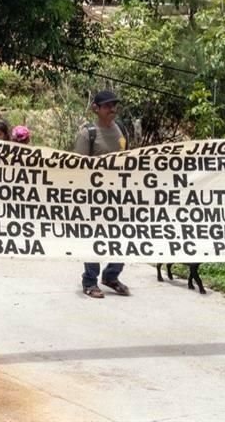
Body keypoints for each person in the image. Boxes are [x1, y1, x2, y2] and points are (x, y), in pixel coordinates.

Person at [75, 90, 130, 298]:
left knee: (124, 237)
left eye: (114, 105)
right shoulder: (87, 133)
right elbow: (77, 167)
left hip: (119, 196)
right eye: (107, 106)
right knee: (94, 238)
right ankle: (90, 281)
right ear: (95, 109)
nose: (112, 110)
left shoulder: (121, 129)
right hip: (93, 198)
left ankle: (111, 275)